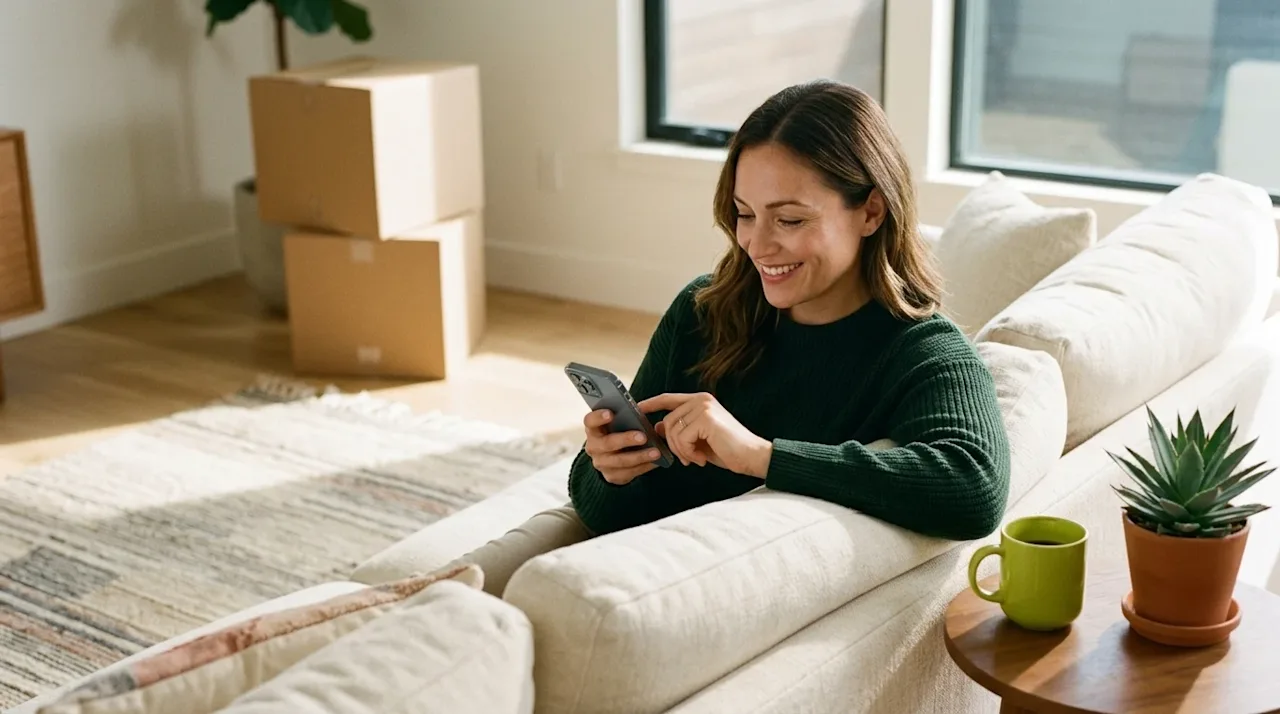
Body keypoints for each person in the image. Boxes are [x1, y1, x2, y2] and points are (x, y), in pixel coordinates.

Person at [455, 80, 1012, 597]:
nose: (758, 244)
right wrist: (608, 466)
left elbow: (974, 489)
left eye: (789, 220)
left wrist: (758, 456)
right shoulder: (704, 311)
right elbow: (601, 511)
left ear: (870, 211)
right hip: (617, 576)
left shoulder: (923, 353)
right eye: (745, 214)